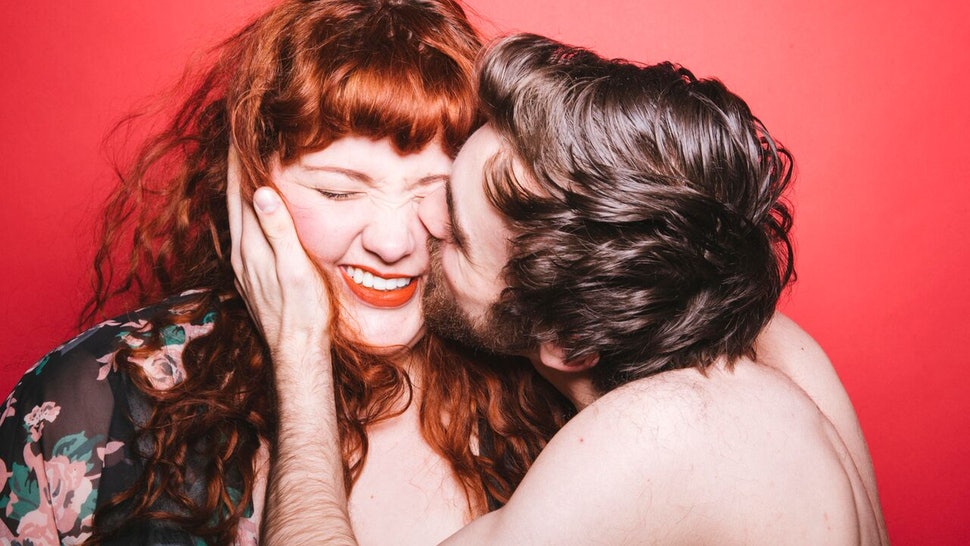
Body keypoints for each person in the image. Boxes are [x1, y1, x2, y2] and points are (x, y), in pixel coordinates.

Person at [234, 33, 889, 543]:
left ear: (571, 342)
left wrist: (299, 351)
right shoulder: (784, 352)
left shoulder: (655, 437)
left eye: (456, 237)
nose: (417, 229)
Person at [0, 5, 571, 545]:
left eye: (437, 192)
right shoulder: (97, 399)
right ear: (251, 185)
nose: (393, 243)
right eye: (337, 191)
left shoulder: (552, 390)